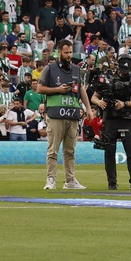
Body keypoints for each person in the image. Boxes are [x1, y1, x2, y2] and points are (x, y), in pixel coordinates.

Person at [89, 48, 131, 191]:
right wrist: (99, 102)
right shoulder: (107, 78)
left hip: (125, 118)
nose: (123, 72)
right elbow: (94, 96)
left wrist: (125, 104)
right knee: (109, 151)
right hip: (110, 118)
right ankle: (112, 182)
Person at [37, 38, 87, 190]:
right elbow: (40, 88)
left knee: (70, 151)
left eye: (71, 52)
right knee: (53, 150)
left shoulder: (76, 69)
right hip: (55, 115)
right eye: (66, 52)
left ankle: (70, 180)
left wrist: (88, 109)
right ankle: (51, 179)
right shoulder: (50, 69)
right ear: (59, 52)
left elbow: (82, 90)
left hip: (72, 115)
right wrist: (58, 90)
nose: (69, 55)